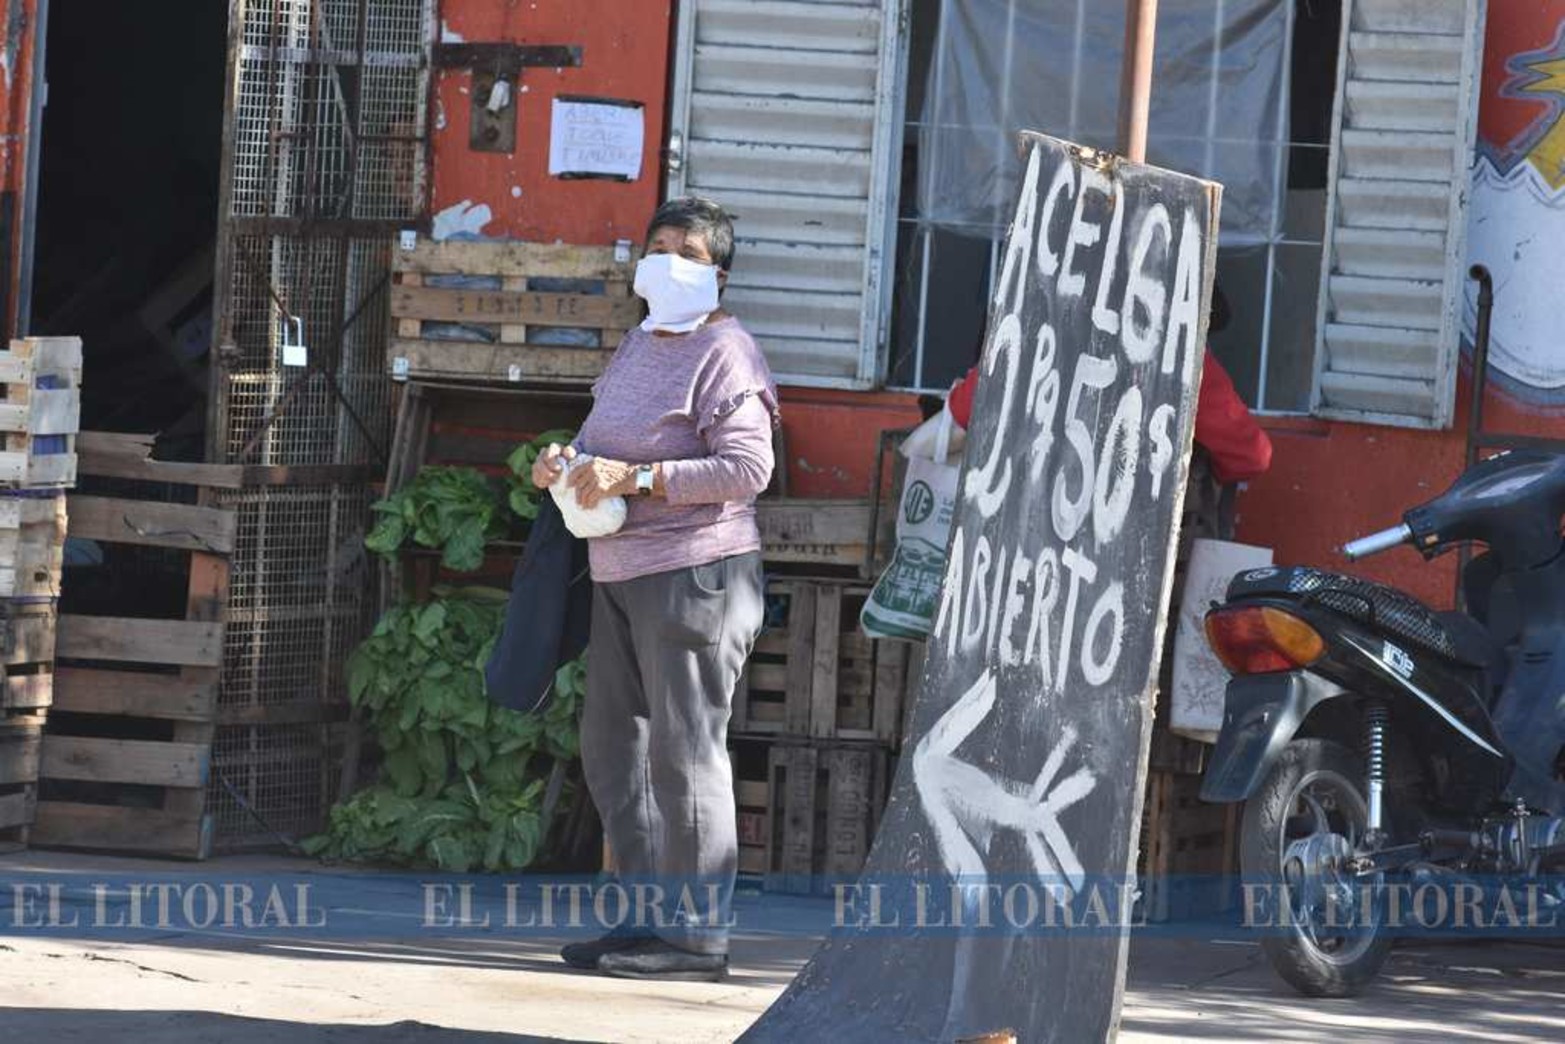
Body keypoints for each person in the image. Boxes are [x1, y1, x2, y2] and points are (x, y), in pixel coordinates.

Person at [531, 197, 778, 982]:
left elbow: (748, 469)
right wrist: (563, 462)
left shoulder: (726, 352)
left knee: (685, 755)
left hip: (693, 576)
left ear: (719, 275)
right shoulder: (640, 341)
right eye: (658, 245)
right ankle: (642, 920)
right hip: (618, 571)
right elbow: (604, 440)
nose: (668, 260)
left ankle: (696, 938)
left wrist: (637, 477)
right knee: (614, 751)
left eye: (689, 251)